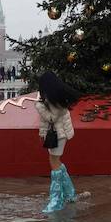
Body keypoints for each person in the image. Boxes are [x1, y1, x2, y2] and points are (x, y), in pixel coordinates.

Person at [37, 71, 84, 213]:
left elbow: (51, 118)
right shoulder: (52, 97)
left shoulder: (56, 100)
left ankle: (56, 200)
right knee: (55, 161)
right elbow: (46, 122)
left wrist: (39, 107)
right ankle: (69, 193)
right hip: (56, 134)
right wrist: (42, 132)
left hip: (59, 134)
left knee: (54, 163)